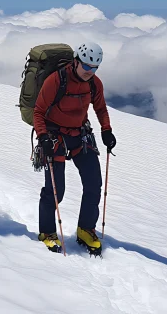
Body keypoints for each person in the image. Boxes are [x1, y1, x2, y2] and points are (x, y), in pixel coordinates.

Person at [33, 42, 116, 255]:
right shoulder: (56, 80)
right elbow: (39, 111)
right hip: (54, 136)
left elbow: (100, 108)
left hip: (80, 134)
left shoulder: (95, 84)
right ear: (76, 61)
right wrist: (42, 137)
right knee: (55, 189)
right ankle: (47, 232)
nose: (90, 72)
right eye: (87, 66)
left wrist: (106, 130)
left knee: (93, 183)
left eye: (94, 68)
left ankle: (85, 229)